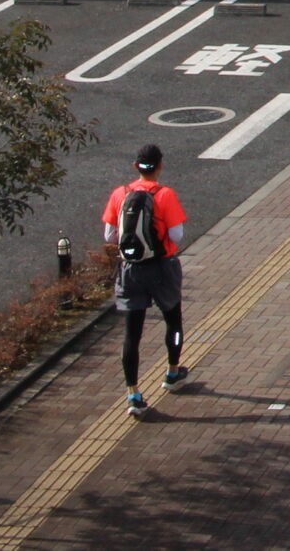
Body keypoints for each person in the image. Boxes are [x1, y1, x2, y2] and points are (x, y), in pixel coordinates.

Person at [104, 145, 191, 417]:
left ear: (135, 166)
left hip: (131, 270)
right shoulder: (165, 195)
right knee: (173, 321)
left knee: (132, 334)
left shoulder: (120, 194)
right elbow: (176, 236)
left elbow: (109, 235)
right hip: (162, 267)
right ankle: (173, 372)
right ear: (159, 166)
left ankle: (133, 394)